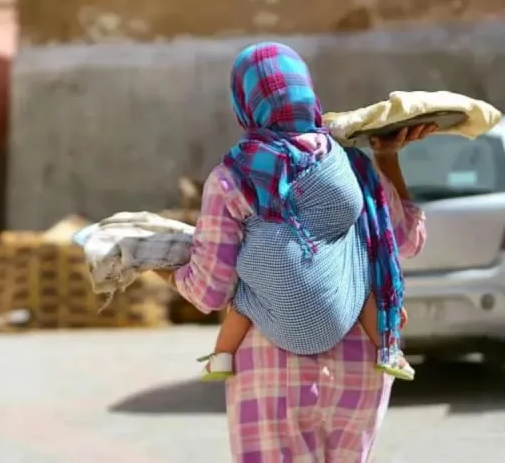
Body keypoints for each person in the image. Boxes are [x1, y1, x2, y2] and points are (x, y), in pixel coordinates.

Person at [155, 42, 428, 461]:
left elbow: (209, 292)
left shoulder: (234, 177)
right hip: (362, 361)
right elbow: (407, 240)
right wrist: (386, 158)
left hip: (271, 364)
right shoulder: (354, 166)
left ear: (244, 102)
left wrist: (160, 266)